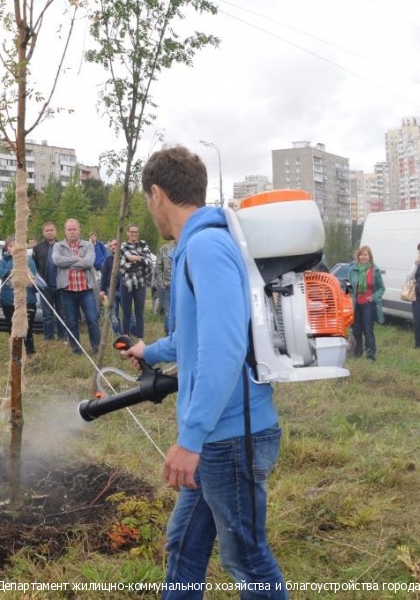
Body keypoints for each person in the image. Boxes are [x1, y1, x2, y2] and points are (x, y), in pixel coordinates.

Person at [123, 146, 286, 598]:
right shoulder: (195, 246)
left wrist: (191, 439)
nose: (149, 208)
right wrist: (150, 350)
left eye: (147, 199)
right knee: (184, 545)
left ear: (157, 194)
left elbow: (224, 348)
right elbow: (196, 334)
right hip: (220, 435)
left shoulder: (206, 247)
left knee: (247, 561)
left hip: (228, 436)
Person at [53, 218, 101, 355]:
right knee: (71, 322)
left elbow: (89, 262)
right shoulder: (58, 246)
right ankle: (76, 350)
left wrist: (68, 263)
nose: (72, 232)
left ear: (79, 230)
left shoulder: (88, 245)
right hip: (67, 290)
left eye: (74, 229)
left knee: (92, 319)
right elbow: (56, 260)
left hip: (86, 289)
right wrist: (76, 258)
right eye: (69, 229)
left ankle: (97, 349)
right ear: (65, 231)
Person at [0, 235, 37, 355]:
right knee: (12, 327)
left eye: (16, 245)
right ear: (7, 248)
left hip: (27, 300)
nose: (13, 248)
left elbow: (32, 274)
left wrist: (22, 271)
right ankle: (16, 353)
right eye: (10, 246)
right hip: (9, 300)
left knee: (27, 328)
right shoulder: (3, 261)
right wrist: (11, 271)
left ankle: (30, 353)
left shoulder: (28, 260)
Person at [349, 245, 385, 360]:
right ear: (358, 256)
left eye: (365, 255)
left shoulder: (375, 271)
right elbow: (348, 286)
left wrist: (374, 296)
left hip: (368, 305)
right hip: (356, 305)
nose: (363, 257)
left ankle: (370, 355)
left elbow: (381, 288)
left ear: (370, 257)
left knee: (368, 330)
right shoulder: (353, 270)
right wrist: (348, 296)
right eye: (361, 255)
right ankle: (357, 353)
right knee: (356, 330)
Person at [119, 224, 154, 339]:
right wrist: (140, 258)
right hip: (126, 282)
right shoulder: (122, 246)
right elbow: (127, 259)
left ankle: (140, 337)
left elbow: (149, 262)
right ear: (127, 233)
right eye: (132, 232)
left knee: (139, 311)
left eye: (136, 232)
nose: (134, 234)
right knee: (126, 312)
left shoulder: (143, 245)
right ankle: (126, 336)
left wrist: (137, 258)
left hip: (140, 281)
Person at [34, 221, 66, 341]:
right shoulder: (38, 248)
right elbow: (35, 266)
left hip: (61, 285)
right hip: (45, 285)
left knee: (62, 312)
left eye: (51, 230)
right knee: (47, 313)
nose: (49, 232)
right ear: (43, 233)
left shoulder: (63, 246)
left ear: (56, 231)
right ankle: (48, 337)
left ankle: (62, 336)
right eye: (47, 231)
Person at [99, 239, 123, 334]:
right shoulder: (108, 260)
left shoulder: (125, 258)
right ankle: (117, 333)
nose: (113, 247)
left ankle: (130, 331)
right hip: (110, 290)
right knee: (114, 313)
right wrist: (102, 290)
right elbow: (104, 276)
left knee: (128, 312)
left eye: (115, 245)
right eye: (111, 246)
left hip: (124, 289)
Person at [154, 240, 176, 335]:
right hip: (167, 287)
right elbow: (158, 268)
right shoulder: (164, 249)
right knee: (168, 313)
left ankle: (179, 336)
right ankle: (169, 335)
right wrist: (162, 284)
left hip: (182, 288)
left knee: (181, 313)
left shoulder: (185, 247)